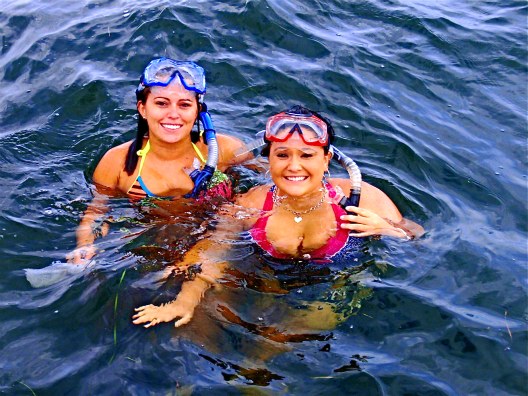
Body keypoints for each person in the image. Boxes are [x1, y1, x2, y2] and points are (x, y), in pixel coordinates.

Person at [132, 105, 424, 328]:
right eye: (282, 155)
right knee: (208, 313)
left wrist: (387, 229)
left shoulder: (364, 199)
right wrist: (186, 298)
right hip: (265, 275)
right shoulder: (253, 203)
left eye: (307, 156)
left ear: (326, 160)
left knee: (275, 345)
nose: (293, 167)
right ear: (269, 159)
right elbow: (215, 249)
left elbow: (418, 236)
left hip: (336, 281)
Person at [68, 58, 251, 264]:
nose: (173, 114)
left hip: (223, 247)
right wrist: (85, 245)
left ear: (198, 111)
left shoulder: (224, 150)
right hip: (151, 254)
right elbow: (96, 212)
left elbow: (271, 178)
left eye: (184, 105)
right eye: (161, 103)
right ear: (143, 108)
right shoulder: (117, 162)